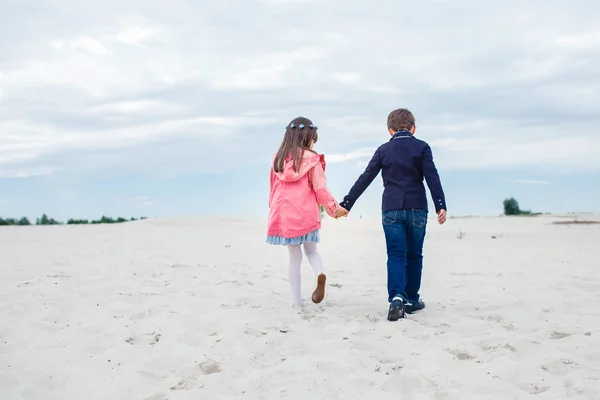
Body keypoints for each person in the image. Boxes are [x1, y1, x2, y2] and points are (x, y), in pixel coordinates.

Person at [339, 109, 447, 321]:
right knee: (415, 254)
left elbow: (366, 177)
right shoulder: (422, 147)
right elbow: (432, 177)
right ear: (413, 128)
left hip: (391, 209)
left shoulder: (383, 150)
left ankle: (396, 298)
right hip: (417, 208)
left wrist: (347, 203)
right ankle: (412, 299)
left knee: (396, 254)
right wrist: (440, 205)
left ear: (389, 130)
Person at [267, 117, 347, 307]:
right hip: (307, 215)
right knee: (311, 250)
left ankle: (298, 303)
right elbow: (320, 190)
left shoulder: (278, 159)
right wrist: (334, 209)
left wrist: (274, 212)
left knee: (294, 258)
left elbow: (273, 189)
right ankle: (319, 273)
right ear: (307, 139)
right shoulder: (313, 160)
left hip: (285, 216)